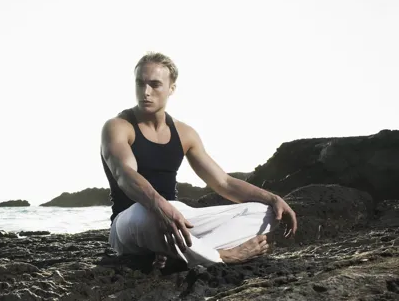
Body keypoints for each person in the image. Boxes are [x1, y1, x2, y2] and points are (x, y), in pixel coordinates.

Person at [100, 52, 297, 269]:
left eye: (155, 85)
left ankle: (184, 254)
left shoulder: (185, 133)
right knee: (144, 211)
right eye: (140, 83)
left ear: (171, 88)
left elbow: (223, 183)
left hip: (176, 216)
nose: (146, 92)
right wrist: (159, 206)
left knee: (265, 212)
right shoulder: (118, 126)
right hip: (132, 222)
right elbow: (124, 174)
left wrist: (272, 198)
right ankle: (223, 256)